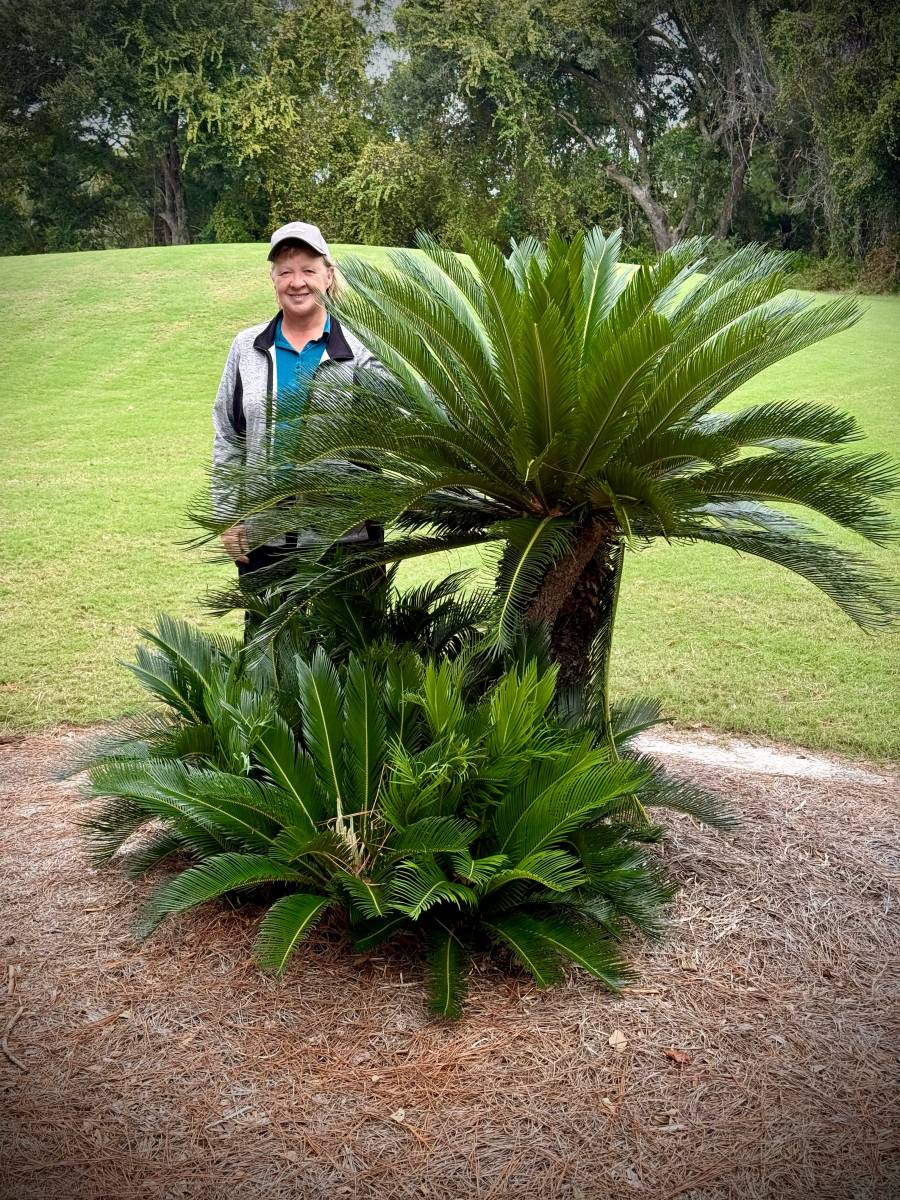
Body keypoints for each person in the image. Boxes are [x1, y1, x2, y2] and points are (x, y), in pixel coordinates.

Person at [211, 221, 383, 605]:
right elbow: (228, 434)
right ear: (272, 279)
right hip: (264, 540)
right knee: (268, 641)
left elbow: (405, 418)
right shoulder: (246, 347)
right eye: (285, 271)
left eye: (308, 270)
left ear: (329, 275)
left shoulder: (363, 348)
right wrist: (229, 516)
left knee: (351, 643)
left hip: (347, 539)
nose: (297, 282)